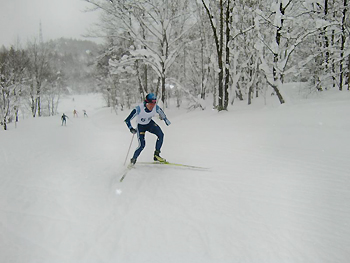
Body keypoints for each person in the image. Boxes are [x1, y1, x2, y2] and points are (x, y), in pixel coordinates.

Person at [124, 93, 171, 165]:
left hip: (149, 124)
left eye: (155, 102)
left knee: (161, 135)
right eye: (151, 103)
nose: (153, 105)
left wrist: (166, 120)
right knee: (142, 145)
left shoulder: (156, 107)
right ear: (147, 102)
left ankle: (156, 155)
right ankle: (133, 159)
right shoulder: (139, 109)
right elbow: (127, 120)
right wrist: (131, 128)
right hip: (141, 126)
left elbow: (162, 113)